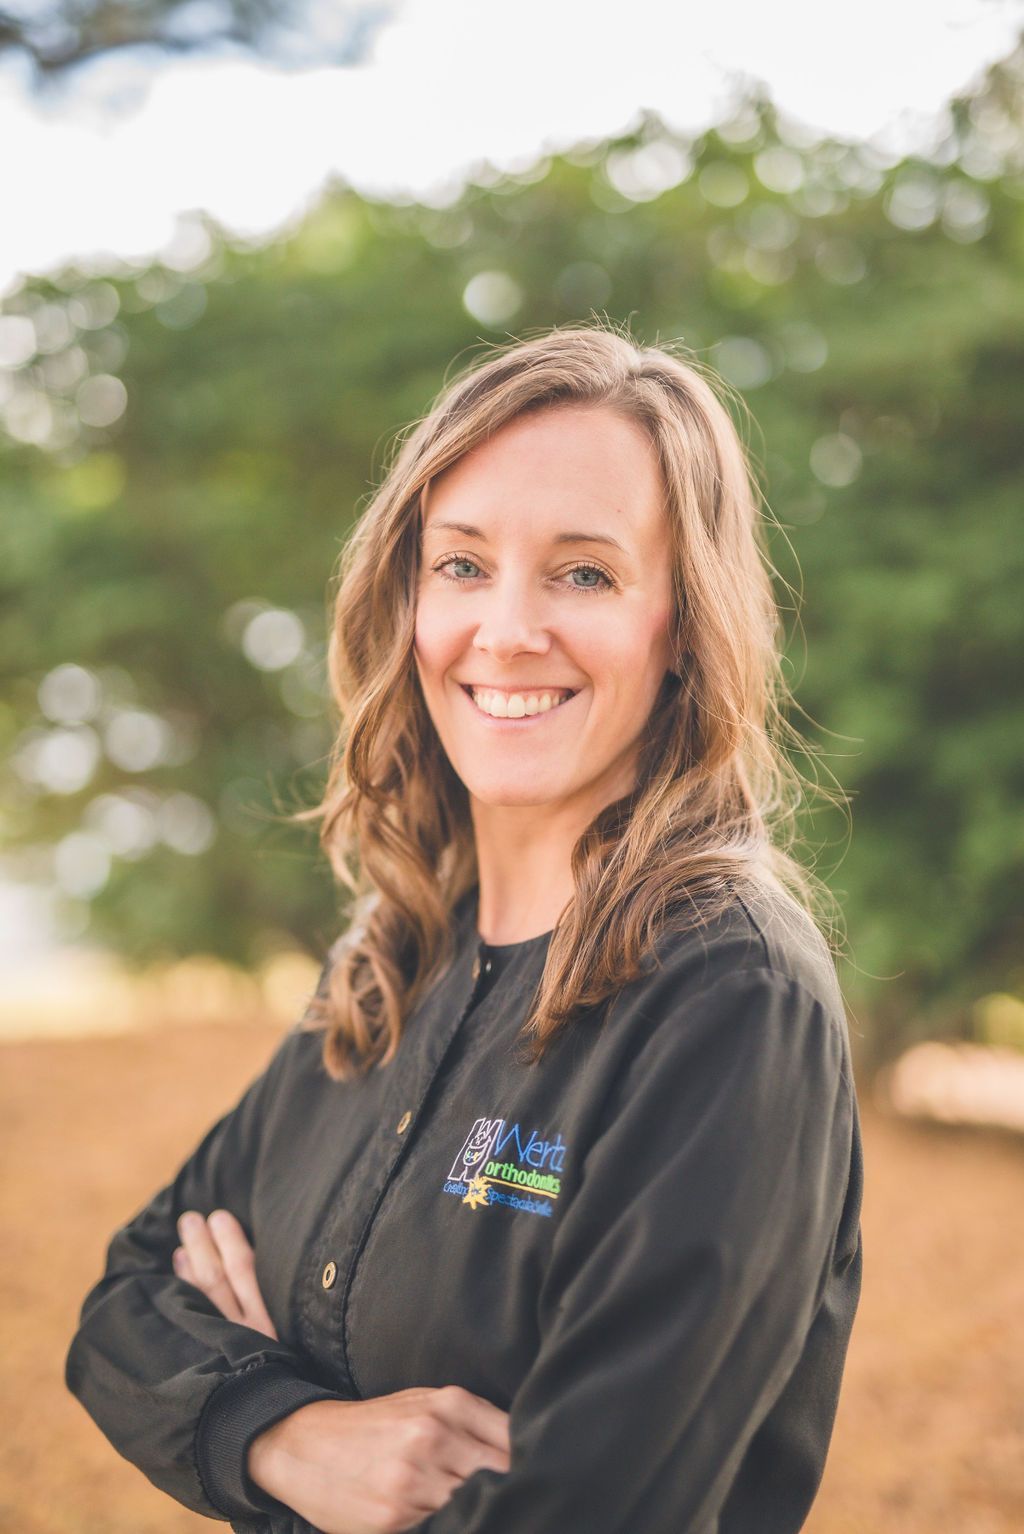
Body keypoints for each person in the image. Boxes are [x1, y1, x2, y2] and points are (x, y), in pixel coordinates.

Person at [65, 321, 864, 1534]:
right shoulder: (391, 962)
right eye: (461, 565)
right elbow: (125, 1306)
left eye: (584, 572)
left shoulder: (730, 1001)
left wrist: (237, 1406)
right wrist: (281, 1435)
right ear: (407, 597)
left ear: (685, 627)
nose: (504, 630)